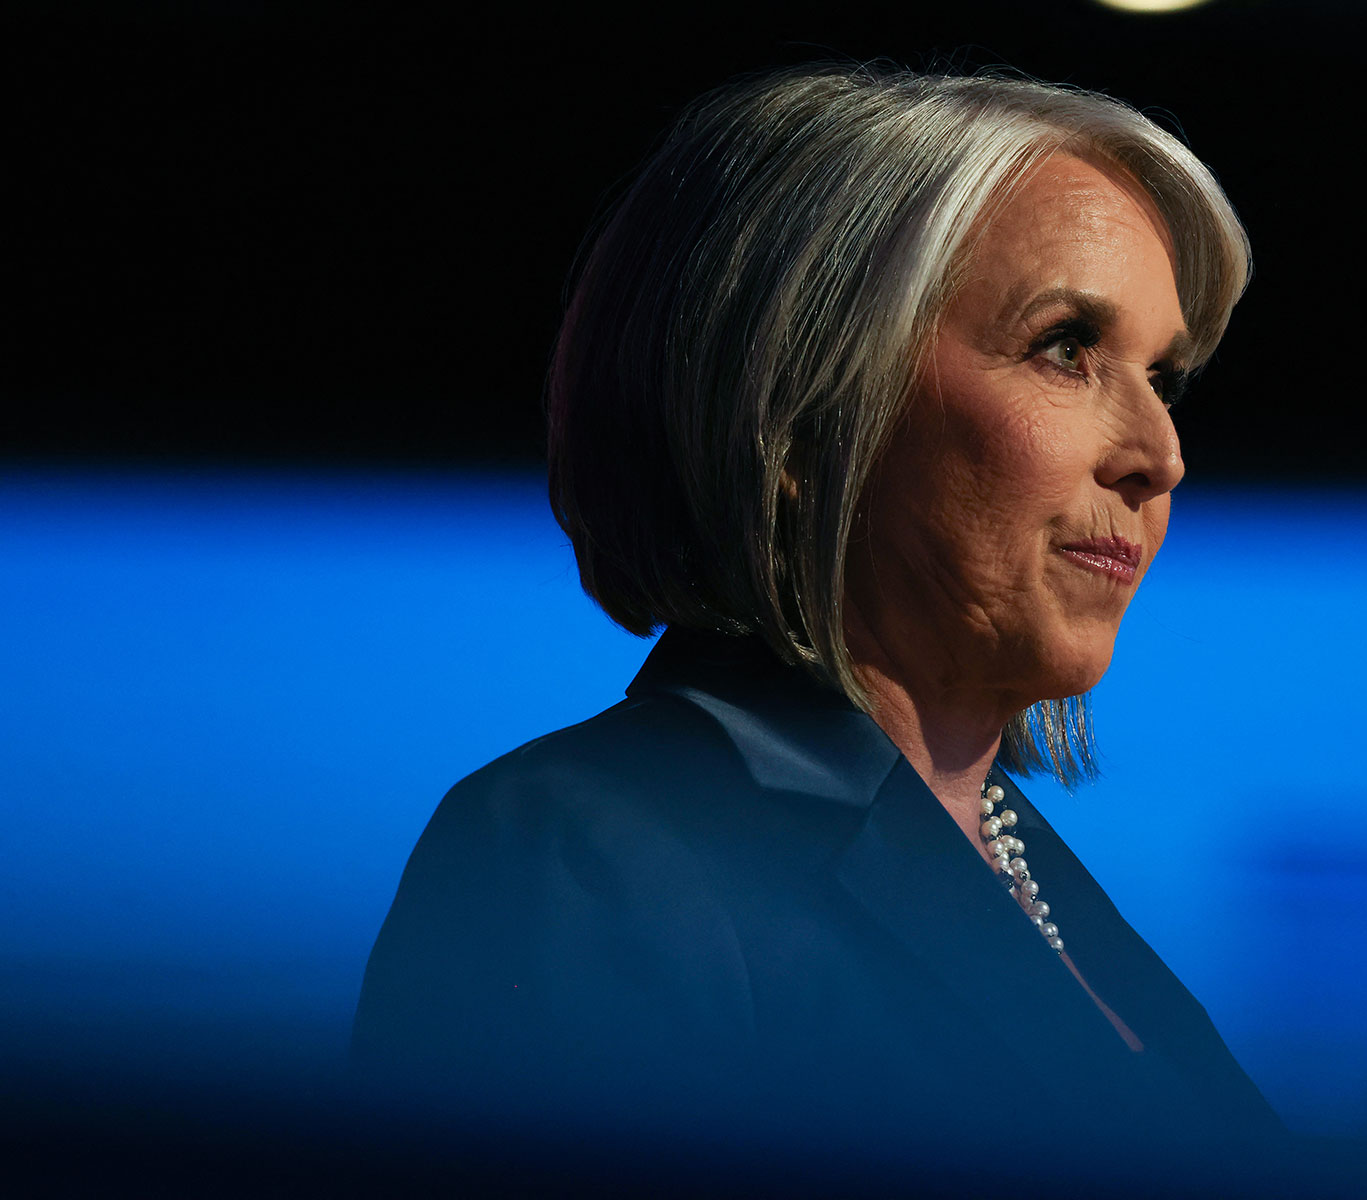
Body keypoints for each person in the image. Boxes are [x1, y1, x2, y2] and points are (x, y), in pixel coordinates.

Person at [350, 62, 1278, 1182]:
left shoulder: (1020, 861)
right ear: (802, 418)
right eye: (1065, 347)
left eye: (1161, 376)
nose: (1159, 455)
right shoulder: (584, 851)